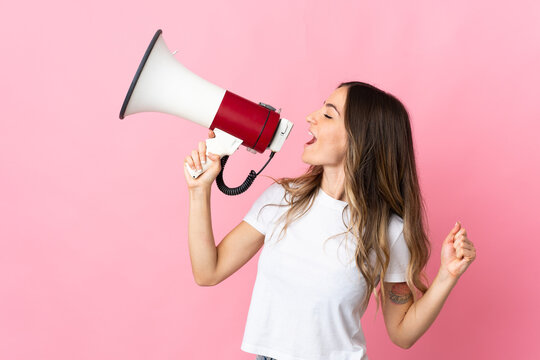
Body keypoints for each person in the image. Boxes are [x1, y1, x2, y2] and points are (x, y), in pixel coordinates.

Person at [183, 81, 477, 360]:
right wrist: (199, 191)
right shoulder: (281, 199)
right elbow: (209, 272)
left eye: (327, 114)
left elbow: (402, 333)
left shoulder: (389, 231)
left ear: (361, 138)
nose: (311, 118)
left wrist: (446, 277)